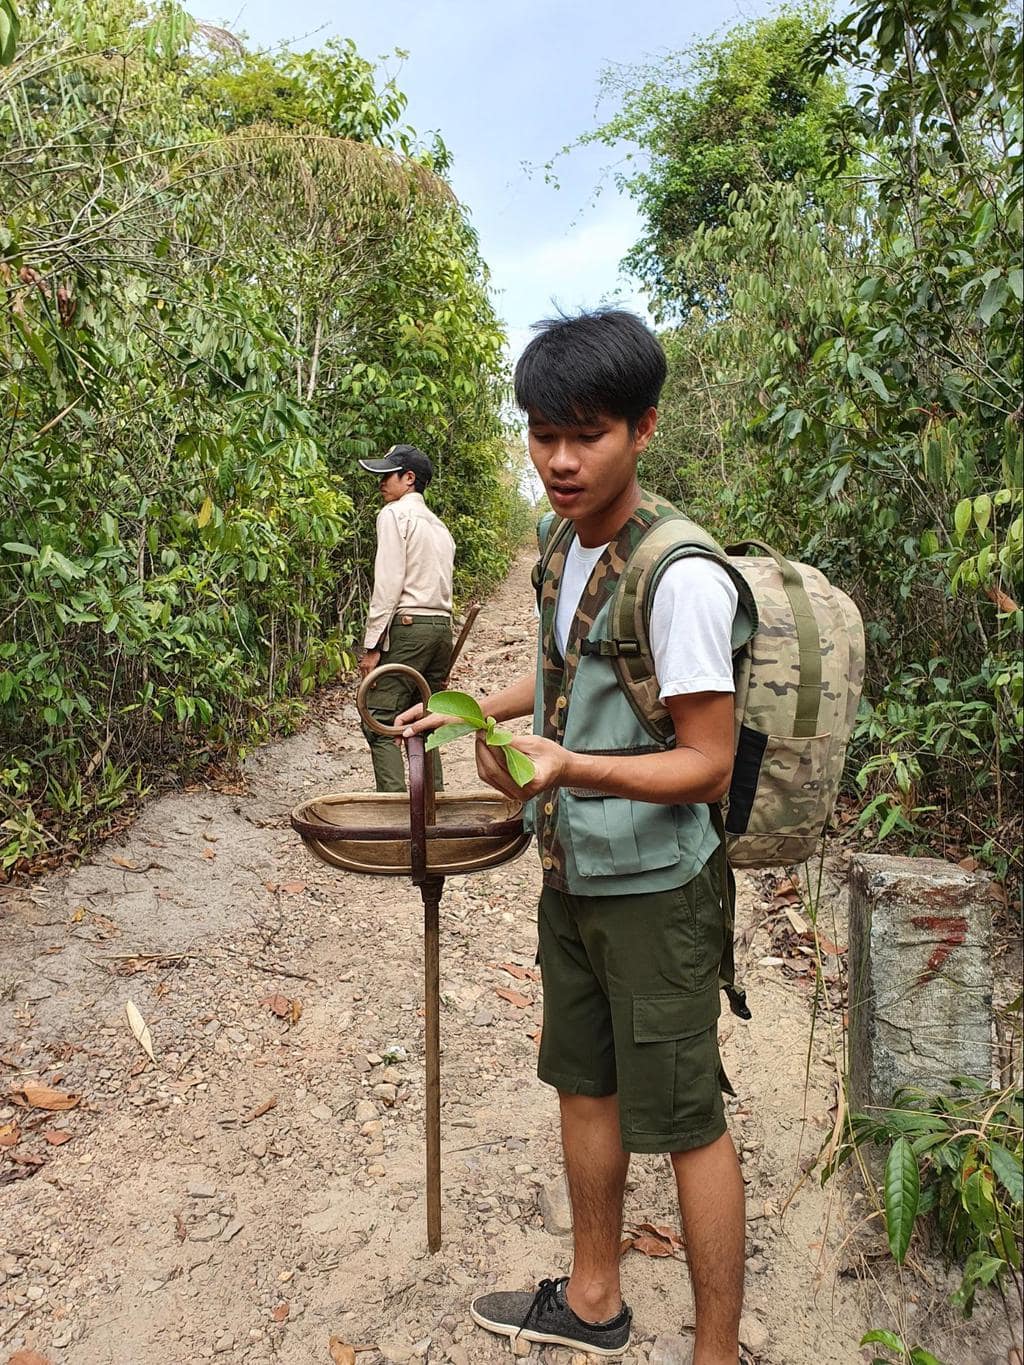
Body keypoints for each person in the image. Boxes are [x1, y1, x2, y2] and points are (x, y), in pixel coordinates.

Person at [400, 309, 752, 1364]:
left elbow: (708, 764)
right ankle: (592, 1301)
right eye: (541, 433)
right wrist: (477, 711)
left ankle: (716, 1352)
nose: (558, 459)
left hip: (657, 894)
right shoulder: (561, 540)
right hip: (576, 880)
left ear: (642, 430)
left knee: (687, 1119)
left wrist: (568, 765)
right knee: (582, 1083)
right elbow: (567, 675)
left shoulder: (680, 576)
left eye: (585, 434)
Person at [357, 443, 455, 793]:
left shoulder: (394, 515)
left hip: (409, 626)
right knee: (424, 717)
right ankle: (434, 807)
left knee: (378, 718)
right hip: (441, 628)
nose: (381, 482)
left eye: (388, 475)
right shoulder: (439, 526)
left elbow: (388, 584)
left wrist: (372, 645)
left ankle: (395, 814)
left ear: (409, 478)